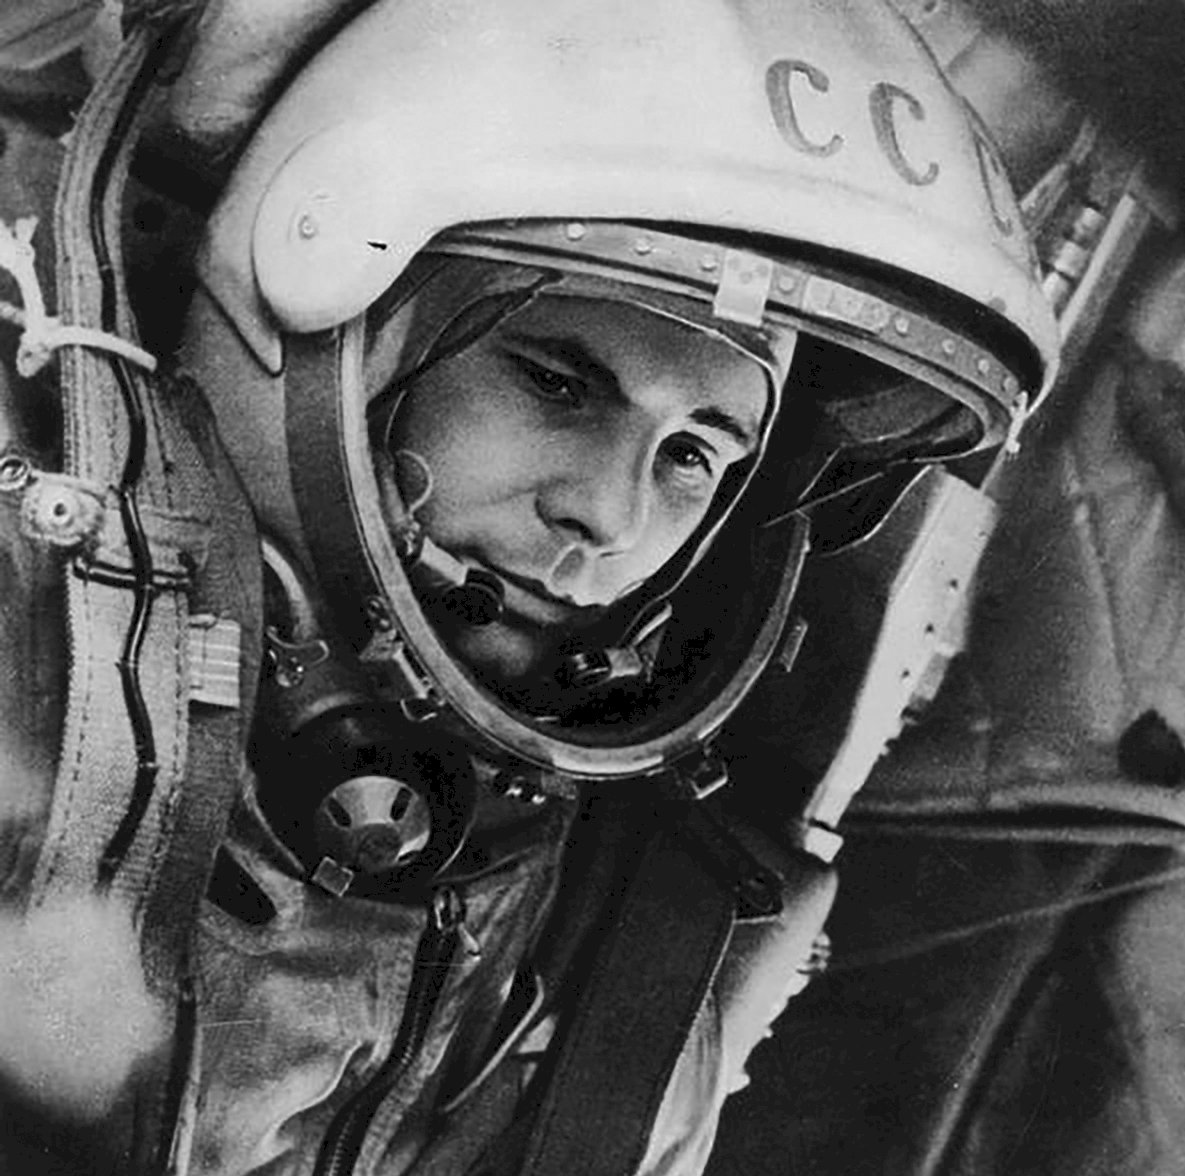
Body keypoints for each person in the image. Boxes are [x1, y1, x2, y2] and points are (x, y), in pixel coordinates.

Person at [0, 1, 1056, 1174]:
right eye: (558, 383)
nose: (610, 519)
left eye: (693, 455)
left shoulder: (633, 942)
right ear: (326, 314)